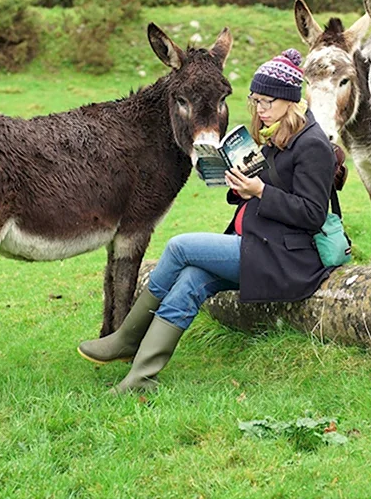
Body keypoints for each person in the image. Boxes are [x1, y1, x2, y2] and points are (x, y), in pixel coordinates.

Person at [77, 48, 340, 394]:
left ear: (291, 100)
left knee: (180, 247)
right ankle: (141, 378)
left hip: (288, 259)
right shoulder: (278, 134)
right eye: (255, 101)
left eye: (268, 102)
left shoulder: (313, 145)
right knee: (189, 281)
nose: (260, 111)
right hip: (260, 244)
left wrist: (261, 191)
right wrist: (243, 188)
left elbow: (311, 214)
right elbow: (271, 190)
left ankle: (126, 337)